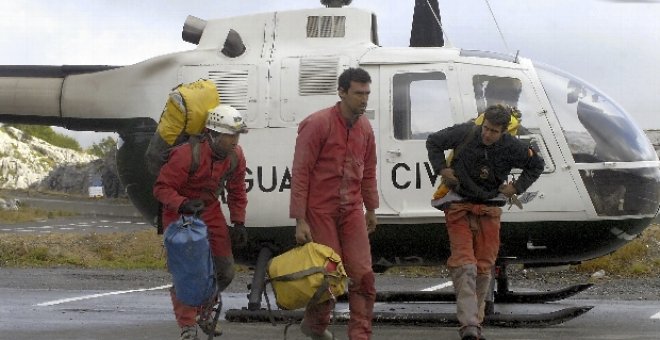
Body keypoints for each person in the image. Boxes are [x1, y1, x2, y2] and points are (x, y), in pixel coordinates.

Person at [426, 104, 544, 340]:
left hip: (489, 210)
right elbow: (434, 141)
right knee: (464, 264)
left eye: (494, 131)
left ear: (504, 132)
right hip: (458, 206)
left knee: (483, 266)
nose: (487, 134)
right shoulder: (466, 132)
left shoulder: (513, 146)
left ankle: (475, 323)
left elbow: (536, 164)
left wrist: (516, 187)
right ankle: (469, 325)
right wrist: (443, 169)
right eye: (486, 128)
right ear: (482, 123)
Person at [290, 67, 378, 340]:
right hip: (320, 210)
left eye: (367, 94)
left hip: (352, 210)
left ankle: (360, 335)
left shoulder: (365, 127)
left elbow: (370, 169)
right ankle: (315, 325)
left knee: (363, 275)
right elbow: (301, 171)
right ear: (341, 92)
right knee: (329, 274)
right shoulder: (317, 123)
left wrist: (371, 208)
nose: (363, 100)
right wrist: (300, 219)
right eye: (357, 94)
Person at [153, 104, 249, 340]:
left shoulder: (235, 156)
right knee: (188, 273)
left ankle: (204, 313)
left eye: (236, 135)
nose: (234, 141)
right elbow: (161, 188)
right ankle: (188, 325)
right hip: (179, 214)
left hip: (209, 210)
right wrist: (182, 203)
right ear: (213, 134)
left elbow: (237, 191)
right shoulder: (186, 155)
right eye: (229, 135)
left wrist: (238, 222)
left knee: (225, 271)